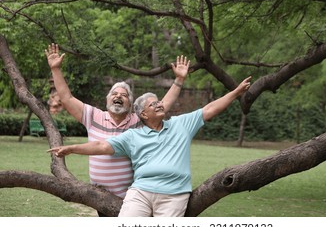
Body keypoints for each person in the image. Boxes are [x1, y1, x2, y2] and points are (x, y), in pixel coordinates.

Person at [48, 76, 252, 217]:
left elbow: (209, 109)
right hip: (140, 192)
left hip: (174, 193)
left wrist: (235, 93)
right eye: (153, 104)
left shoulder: (181, 124)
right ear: (143, 114)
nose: (159, 104)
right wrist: (72, 148)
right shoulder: (133, 135)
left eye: (159, 102)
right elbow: (101, 146)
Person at [45, 43, 190, 216]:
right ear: (107, 100)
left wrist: (179, 80)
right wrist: (55, 69)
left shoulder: (139, 121)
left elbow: (163, 104)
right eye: (114, 93)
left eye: (124, 95)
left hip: (133, 198)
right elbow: (67, 98)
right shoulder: (93, 116)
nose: (118, 96)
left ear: (131, 104)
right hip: (100, 197)